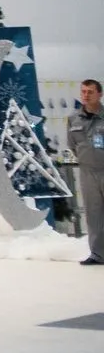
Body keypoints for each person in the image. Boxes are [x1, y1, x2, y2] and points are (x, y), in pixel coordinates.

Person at [71, 79, 103, 266]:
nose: (86, 95)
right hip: (87, 172)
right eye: (83, 91)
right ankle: (98, 254)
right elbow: (72, 145)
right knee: (93, 214)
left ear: (100, 94)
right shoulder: (74, 118)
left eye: (90, 92)